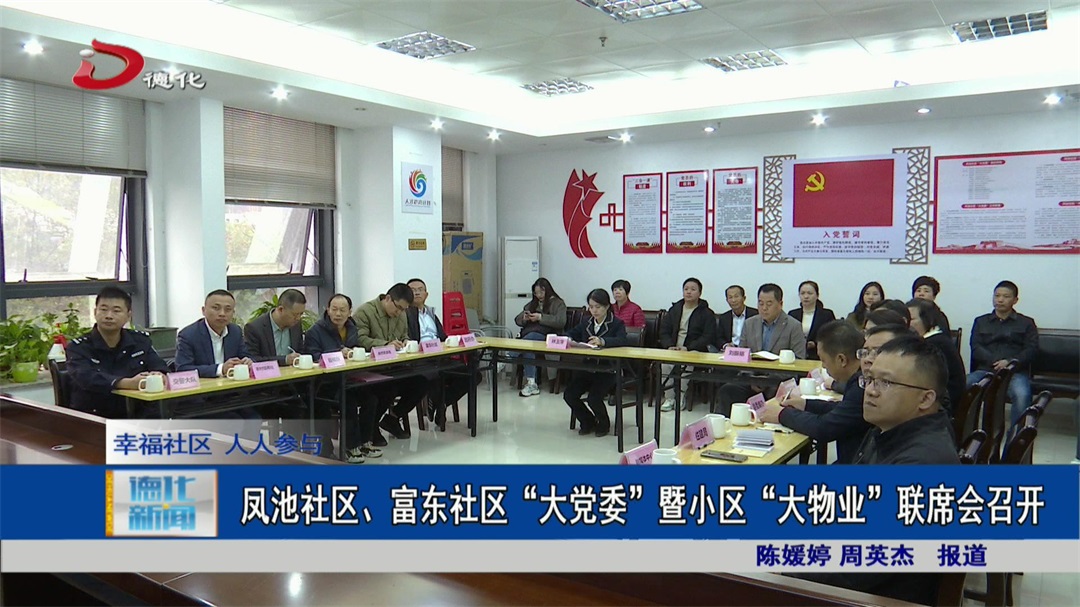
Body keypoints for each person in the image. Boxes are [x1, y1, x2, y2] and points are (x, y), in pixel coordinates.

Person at [791, 335, 958, 606]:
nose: (871, 391)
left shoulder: (920, 467)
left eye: (886, 383)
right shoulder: (890, 430)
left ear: (926, 398)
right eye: (868, 379)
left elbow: (853, 568)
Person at [758, 320, 871, 464]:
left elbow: (824, 428)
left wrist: (782, 414)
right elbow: (843, 410)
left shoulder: (861, 386)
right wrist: (805, 404)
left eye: (824, 360)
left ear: (841, 359)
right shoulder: (858, 379)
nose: (823, 366)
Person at [66, 286, 169, 418]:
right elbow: (86, 377)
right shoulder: (78, 347)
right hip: (94, 416)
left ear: (128, 315)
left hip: (138, 414)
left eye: (116, 311)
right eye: (103, 309)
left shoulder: (140, 341)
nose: (109, 316)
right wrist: (126, 383)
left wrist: (159, 375)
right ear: (95, 312)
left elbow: (159, 365)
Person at [305, 293, 380, 463]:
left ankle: (365, 442)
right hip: (325, 384)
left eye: (342, 310)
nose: (338, 314)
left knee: (371, 399)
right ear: (327, 310)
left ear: (350, 312)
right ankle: (350, 447)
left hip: (348, 379)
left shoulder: (352, 328)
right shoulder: (315, 331)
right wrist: (338, 354)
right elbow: (313, 357)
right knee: (349, 402)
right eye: (334, 309)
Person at [174, 289, 260, 434]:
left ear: (233, 313)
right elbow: (183, 369)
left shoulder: (235, 331)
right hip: (200, 399)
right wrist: (220, 369)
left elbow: (246, 355)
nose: (222, 313)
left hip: (229, 395)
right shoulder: (188, 335)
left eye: (228, 309)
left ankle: (247, 450)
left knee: (254, 419)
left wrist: (248, 362)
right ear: (203, 310)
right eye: (216, 308)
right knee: (233, 423)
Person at [715, 284, 806, 416]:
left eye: (769, 304)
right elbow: (742, 355)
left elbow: (799, 360)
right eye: (760, 303)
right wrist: (752, 378)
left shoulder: (794, 326)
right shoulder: (749, 323)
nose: (764, 308)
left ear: (780, 304)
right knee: (727, 390)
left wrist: (767, 379)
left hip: (778, 381)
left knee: (777, 395)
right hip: (751, 378)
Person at [354, 283, 430, 440]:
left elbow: (404, 335)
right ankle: (372, 427)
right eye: (398, 308)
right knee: (388, 388)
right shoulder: (365, 312)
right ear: (388, 298)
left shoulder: (401, 314)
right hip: (372, 369)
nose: (400, 312)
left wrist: (406, 342)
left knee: (421, 382)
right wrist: (385, 344)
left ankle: (393, 418)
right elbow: (360, 339)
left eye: (404, 309)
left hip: (394, 366)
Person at [405, 277, 475, 427]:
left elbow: (443, 337)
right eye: (413, 290)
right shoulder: (404, 314)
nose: (417, 293)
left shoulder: (431, 313)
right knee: (436, 375)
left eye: (420, 290)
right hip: (421, 360)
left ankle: (441, 403)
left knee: (472, 374)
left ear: (426, 294)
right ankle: (438, 403)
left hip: (440, 357)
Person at [967, 280, 1039, 423]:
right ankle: (958, 428)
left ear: (1015, 300)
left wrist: (1009, 362)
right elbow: (975, 347)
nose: (1000, 300)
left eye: (1006, 296)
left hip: (1015, 372)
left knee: (1022, 395)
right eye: (997, 296)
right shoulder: (981, 321)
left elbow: (1031, 349)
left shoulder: (1026, 323)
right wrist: (994, 361)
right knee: (961, 385)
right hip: (986, 369)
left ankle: (1017, 433)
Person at [563, 289, 631, 437]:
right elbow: (571, 333)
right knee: (569, 395)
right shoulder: (586, 322)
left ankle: (604, 423)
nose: (594, 310)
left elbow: (622, 340)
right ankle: (588, 421)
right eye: (591, 307)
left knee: (594, 398)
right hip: (588, 367)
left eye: (598, 307)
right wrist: (568, 339)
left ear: (607, 306)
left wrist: (603, 341)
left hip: (608, 369)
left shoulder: (616, 323)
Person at [657, 277, 715, 411]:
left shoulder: (706, 313)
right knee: (665, 364)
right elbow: (664, 331)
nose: (689, 292)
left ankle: (681, 395)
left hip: (694, 350)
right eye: (686, 289)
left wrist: (688, 347)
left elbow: (708, 336)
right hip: (674, 348)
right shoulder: (674, 310)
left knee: (687, 363)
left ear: (700, 293)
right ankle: (669, 397)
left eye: (693, 289)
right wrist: (669, 345)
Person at [907, 298, 964, 413]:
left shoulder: (934, 344)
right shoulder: (937, 338)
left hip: (944, 405)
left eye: (911, 319)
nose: (907, 324)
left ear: (927, 319)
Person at [514, 278, 567, 397]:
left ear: (547, 290)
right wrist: (524, 318)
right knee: (528, 346)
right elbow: (517, 319)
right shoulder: (533, 303)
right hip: (532, 336)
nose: (539, 295)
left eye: (541, 292)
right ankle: (532, 383)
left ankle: (509, 355)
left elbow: (561, 321)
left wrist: (540, 318)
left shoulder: (558, 303)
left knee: (529, 339)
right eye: (536, 293)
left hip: (550, 336)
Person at [243, 288, 306, 367]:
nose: (298, 318)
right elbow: (254, 359)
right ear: (280, 309)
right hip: (267, 374)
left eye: (301, 314)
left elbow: (301, 351)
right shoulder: (255, 328)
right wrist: (284, 360)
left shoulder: (296, 325)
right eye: (295, 314)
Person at [787, 280, 836, 360]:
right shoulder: (792, 314)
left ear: (817, 296)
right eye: (802, 293)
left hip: (818, 356)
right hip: (795, 356)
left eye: (809, 293)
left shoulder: (826, 314)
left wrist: (815, 344)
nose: (806, 296)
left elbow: (832, 336)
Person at [717, 285, 757, 349]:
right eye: (730, 297)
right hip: (731, 350)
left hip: (749, 350)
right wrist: (726, 345)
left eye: (736, 296)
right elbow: (719, 338)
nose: (733, 300)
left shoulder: (755, 315)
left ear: (744, 298)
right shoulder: (724, 318)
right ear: (727, 300)